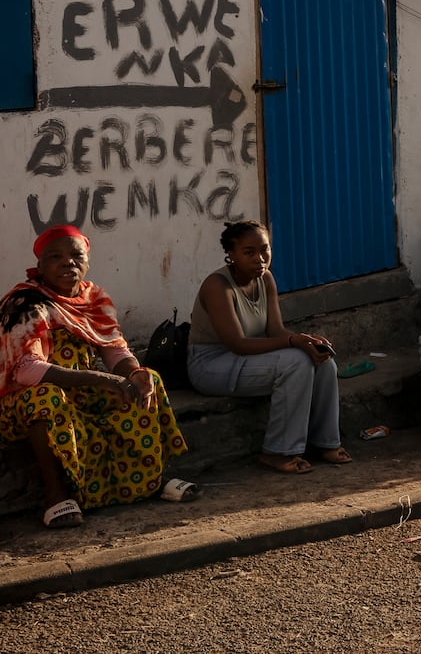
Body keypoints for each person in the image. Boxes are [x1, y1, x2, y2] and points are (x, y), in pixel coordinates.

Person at [0, 225, 196, 528]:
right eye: (56, 257)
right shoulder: (25, 304)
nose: (68, 263)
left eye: (76, 256)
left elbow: (115, 351)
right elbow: (27, 371)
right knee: (46, 397)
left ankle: (151, 479)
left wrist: (134, 372)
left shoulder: (94, 299)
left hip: (79, 392)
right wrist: (102, 380)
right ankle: (56, 495)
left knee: (148, 380)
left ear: (87, 262)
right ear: (39, 266)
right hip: (21, 401)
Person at [187, 221, 350, 474]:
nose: (260, 259)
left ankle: (324, 442)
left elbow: (276, 331)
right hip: (210, 365)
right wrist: (293, 342)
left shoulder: (266, 279)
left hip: (250, 358)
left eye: (265, 250)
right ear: (231, 255)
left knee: (323, 361)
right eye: (249, 252)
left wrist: (305, 340)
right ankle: (277, 451)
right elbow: (237, 344)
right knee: (296, 363)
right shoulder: (217, 286)